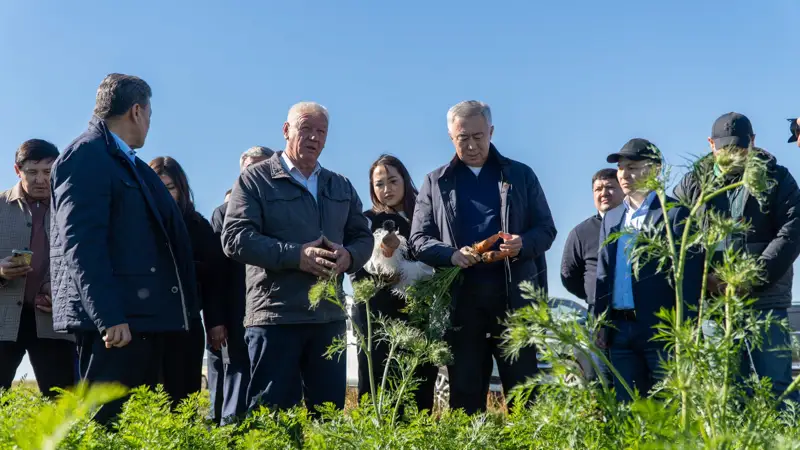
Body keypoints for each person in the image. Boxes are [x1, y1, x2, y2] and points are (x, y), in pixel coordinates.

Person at [50, 74, 198, 424]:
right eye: (149, 114)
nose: (148, 123)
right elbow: (82, 243)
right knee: (106, 425)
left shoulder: (126, 162)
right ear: (136, 111)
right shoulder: (86, 155)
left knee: (138, 429)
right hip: (118, 325)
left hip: (142, 319)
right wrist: (108, 315)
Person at [222, 102, 373, 413]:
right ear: (286, 130)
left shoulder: (340, 185)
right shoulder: (255, 180)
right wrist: (296, 255)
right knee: (272, 418)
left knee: (328, 418)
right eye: (306, 129)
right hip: (276, 318)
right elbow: (235, 238)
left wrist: (350, 257)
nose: (314, 138)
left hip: (328, 318)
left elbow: (362, 236)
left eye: (321, 131)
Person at [410, 100, 557, 415]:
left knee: (525, 397)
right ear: (451, 137)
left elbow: (546, 230)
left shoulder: (520, 175)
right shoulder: (435, 182)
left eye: (478, 136)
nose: (472, 145)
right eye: (463, 138)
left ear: (491, 131)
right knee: (465, 399)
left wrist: (522, 243)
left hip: (515, 305)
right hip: (461, 308)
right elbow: (418, 240)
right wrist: (451, 255)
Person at [675, 113, 800, 404]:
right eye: (725, 149)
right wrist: (702, 279)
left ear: (753, 142)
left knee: (777, 387)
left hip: (765, 301)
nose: (733, 154)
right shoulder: (693, 183)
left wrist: (751, 277)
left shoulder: (777, 177)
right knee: (725, 390)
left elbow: (791, 231)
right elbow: (677, 231)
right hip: (714, 303)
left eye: (740, 148)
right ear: (710, 145)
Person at [595, 138, 700, 402]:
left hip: (661, 330)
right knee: (627, 410)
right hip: (620, 329)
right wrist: (600, 322)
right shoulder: (611, 217)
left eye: (632, 166)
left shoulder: (675, 214)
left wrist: (685, 330)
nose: (624, 174)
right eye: (621, 168)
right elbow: (603, 273)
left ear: (654, 169)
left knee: (667, 409)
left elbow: (688, 279)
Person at [351, 154, 438, 411]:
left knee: (418, 380)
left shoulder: (425, 219)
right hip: (376, 314)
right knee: (378, 380)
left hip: (417, 314)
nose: (386, 189)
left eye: (392, 181)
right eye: (379, 184)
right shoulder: (364, 220)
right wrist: (383, 264)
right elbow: (357, 264)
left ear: (404, 180)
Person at [149, 156, 227, 409]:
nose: (163, 194)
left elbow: (215, 279)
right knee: (148, 401)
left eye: (169, 188)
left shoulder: (198, 226)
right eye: (157, 187)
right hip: (145, 326)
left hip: (186, 323)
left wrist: (215, 322)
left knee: (184, 400)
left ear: (181, 189)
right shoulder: (134, 226)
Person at [0, 139, 75, 396]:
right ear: (17, 170)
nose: (41, 179)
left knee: (62, 403)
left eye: (48, 171)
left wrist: (64, 293)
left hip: (54, 321)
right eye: (32, 172)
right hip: (4, 319)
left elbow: (86, 262)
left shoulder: (72, 210)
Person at [207, 146, 273, 425]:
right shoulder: (223, 213)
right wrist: (216, 319)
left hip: (272, 313)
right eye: (249, 169)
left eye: (261, 167)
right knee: (233, 381)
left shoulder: (281, 209)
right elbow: (214, 273)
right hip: (234, 314)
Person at [560, 168, 623, 381]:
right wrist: (593, 293)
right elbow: (568, 275)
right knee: (602, 381)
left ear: (623, 189)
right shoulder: (581, 232)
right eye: (598, 189)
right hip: (599, 319)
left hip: (634, 316)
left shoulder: (635, 225)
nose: (603, 193)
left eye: (610, 187)